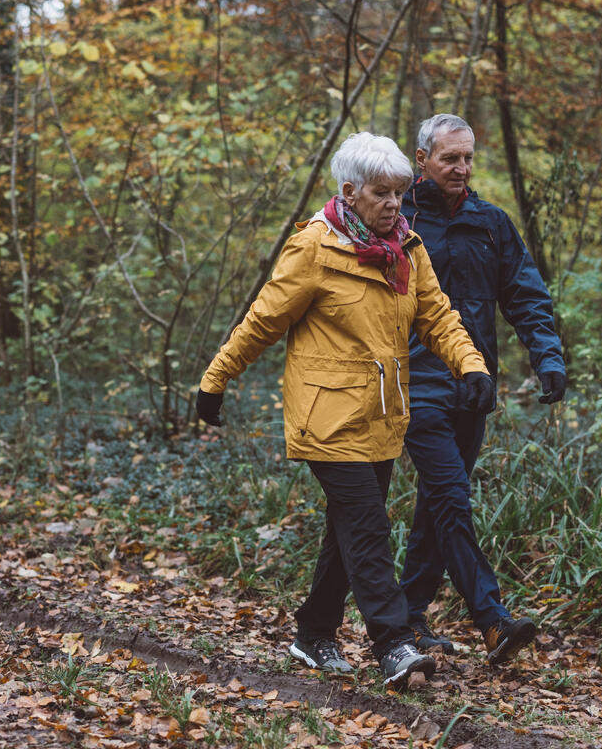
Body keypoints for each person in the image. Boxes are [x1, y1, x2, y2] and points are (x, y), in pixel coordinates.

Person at [195, 132, 494, 688]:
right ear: (350, 191)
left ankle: (313, 633)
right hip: (325, 416)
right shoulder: (314, 247)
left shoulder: (407, 248)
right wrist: (216, 381)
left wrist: (471, 367)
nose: (394, 205)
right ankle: (394, 644)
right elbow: (264, 320)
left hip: (382, 415)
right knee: (368, 526)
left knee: (347, 528)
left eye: (400, 194)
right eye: (382, 194)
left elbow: (439, 317)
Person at [400, 113, 566, 666]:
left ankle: (409, 618)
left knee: (436, 505)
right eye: (450, 158)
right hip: (415, 385)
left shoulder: (490, 223)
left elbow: (525, 295)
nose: (461, 168)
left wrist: (547, 358)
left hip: (474, 390)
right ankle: (492, 620)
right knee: (450, 496)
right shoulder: (395, 221)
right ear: (422, 158)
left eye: (468, 158)